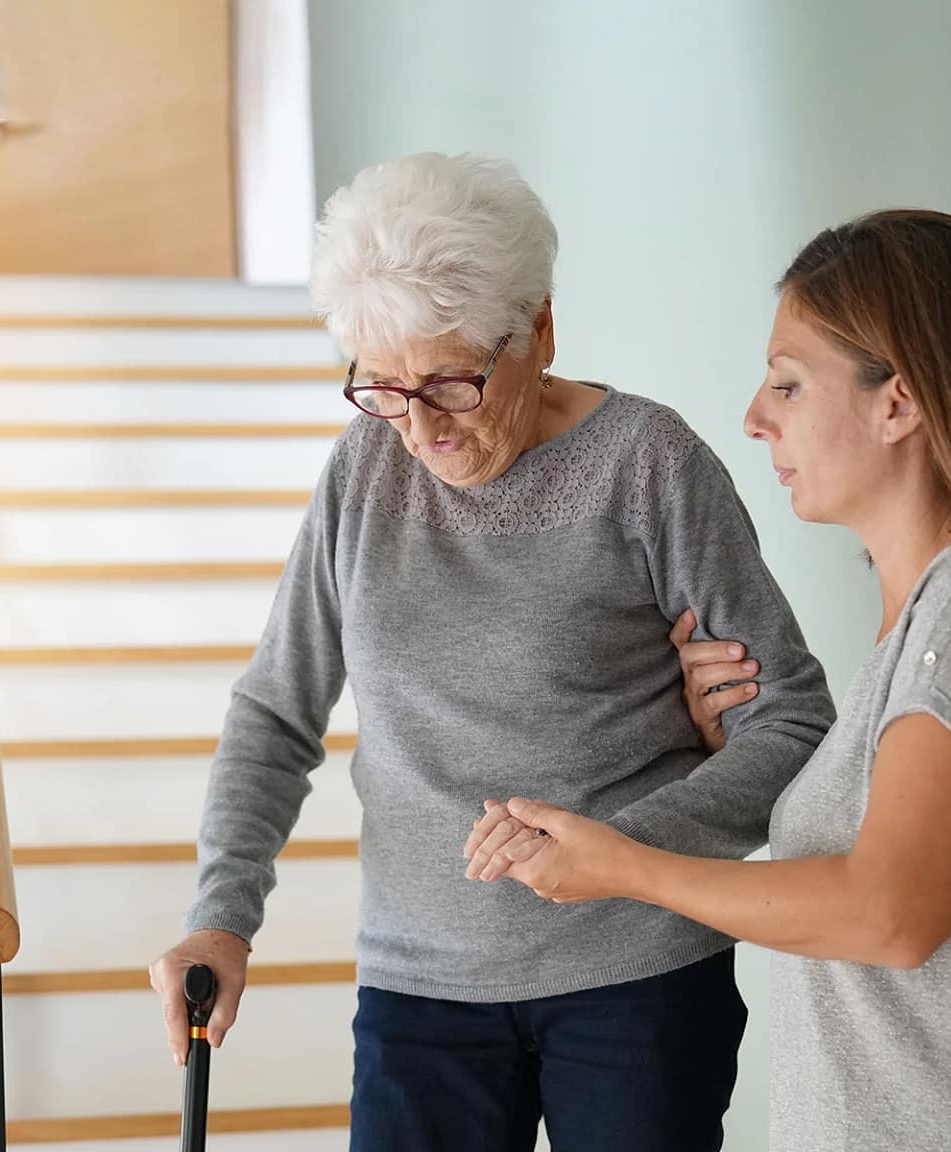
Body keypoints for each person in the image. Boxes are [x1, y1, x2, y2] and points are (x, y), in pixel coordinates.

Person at [469, 209, 951, 1150]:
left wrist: (622, 868)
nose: (754, 417)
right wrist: (713, 740)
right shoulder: (933, 625)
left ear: (897, 404)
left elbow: (889, 913)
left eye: (788, 384)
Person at [147, 152, 837, 1152]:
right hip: (418, 989)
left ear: (539, 331)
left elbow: (792, 720)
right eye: (382, 388)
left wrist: (625, 850)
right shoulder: (365, 467)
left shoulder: (649, 466)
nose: (419, 428)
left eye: (452, 384)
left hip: (635, 975)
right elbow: (276, 710)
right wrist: (222, 914)